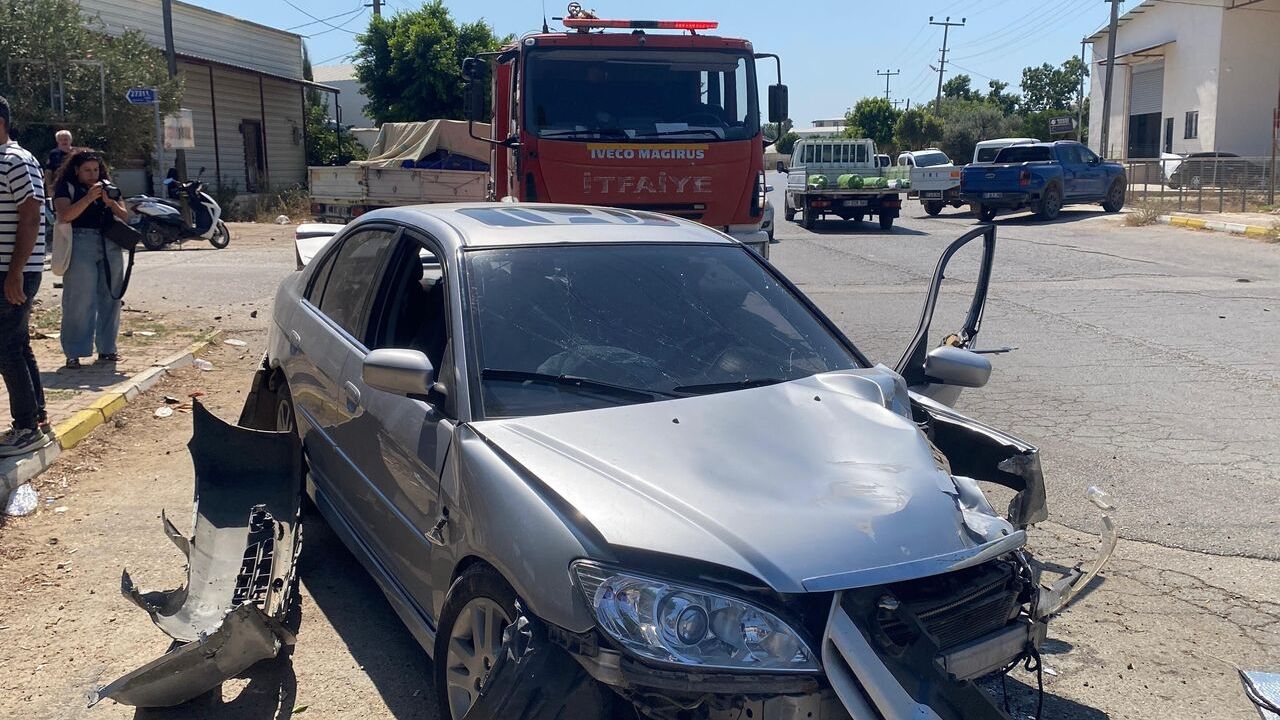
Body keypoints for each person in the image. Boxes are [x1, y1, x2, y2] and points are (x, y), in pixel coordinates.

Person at [0, 95, 53, 457]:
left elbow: (31, 216)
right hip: (9, 271)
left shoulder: (16, 160)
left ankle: (26, 428)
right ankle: (37, 419)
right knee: (16, 345)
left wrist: (15, 272)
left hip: (13, 271)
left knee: (6, 348)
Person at [52, 149, 128, 369]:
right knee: (79, 299)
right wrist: (88, 198)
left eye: (96, 170)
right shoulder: (66, 187)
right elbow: (64, 215)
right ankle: (74, 352)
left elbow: (125, 215)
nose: (92, 174)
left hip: (109, 242)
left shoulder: (108, 187)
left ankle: (107, 348)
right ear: (76, 170)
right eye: (87, 170)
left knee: (111, 297)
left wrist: (110, 202)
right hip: (80, 242)